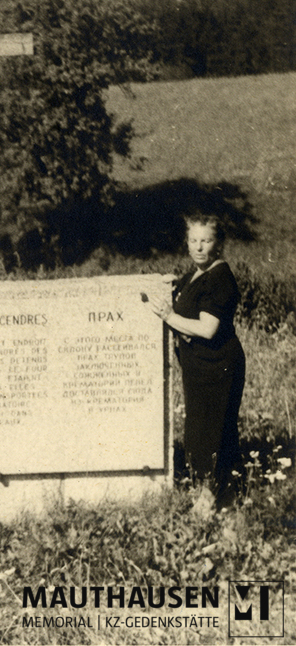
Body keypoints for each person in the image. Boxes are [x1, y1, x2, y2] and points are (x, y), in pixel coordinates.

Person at [147, 213, 245, 513]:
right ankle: (222, 495)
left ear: (218, 244)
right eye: (193, 240)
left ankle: (212, 499)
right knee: (201, 431)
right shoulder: (196, 275)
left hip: (218, 366)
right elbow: (189, 300)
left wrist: (169, 317)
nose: (199, 247)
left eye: (206, 240)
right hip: (200, 367)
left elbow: (207, 328)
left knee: (212, 431)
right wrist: (171, 288)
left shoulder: (220, 278)